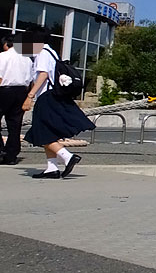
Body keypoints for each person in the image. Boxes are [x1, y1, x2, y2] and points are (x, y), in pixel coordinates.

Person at [22, 33, 93, 178]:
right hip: (53, 96)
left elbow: (43, 74)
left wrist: (29, 96)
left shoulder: (42, 53)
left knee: (40, 132)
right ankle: (51, 167)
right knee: (48, 132)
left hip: (46, 97)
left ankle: (67, 157)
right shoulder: (51, 52)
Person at [0, 35, 33, 164]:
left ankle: (1, 151)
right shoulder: (27, 59)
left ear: (5, 45)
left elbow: (0, 76)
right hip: (22, 91)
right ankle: (11, 155)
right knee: (15, 124)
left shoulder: (3, 56)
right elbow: (31, 79)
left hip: (4, 90)